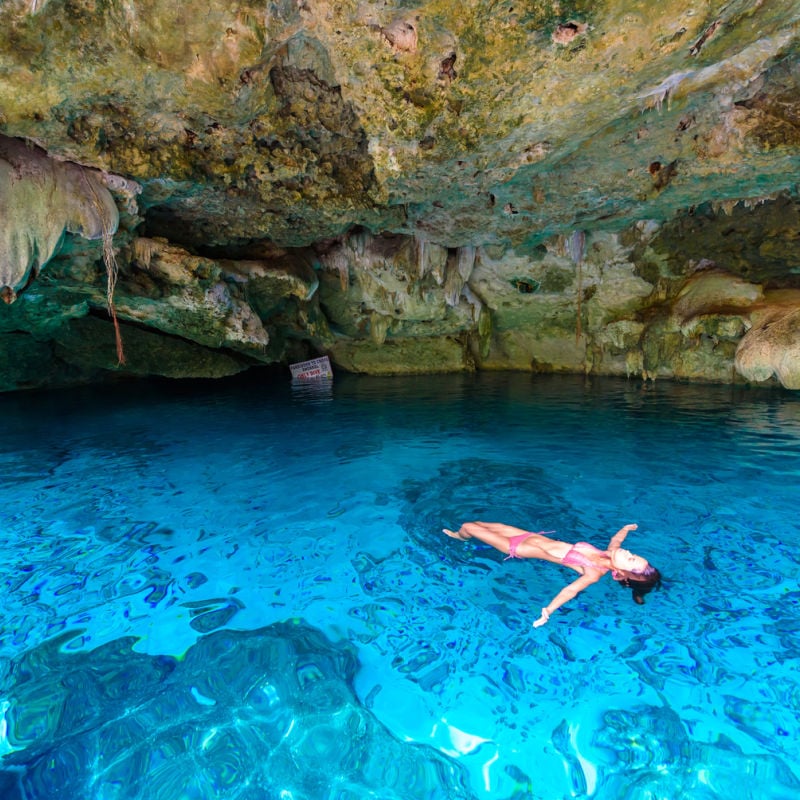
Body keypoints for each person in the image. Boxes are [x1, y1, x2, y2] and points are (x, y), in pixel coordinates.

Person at [442, 521, 661, 627]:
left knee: (468, 527)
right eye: (633, 554)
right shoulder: (611, 553)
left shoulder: (594, 572)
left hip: (516, 547)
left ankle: (460, 537)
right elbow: (617, 541)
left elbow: (571, 590)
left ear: (622, 573)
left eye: (631, 559)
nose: (629, 553)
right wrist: (626, 528)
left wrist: (548, 610)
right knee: (481, 523)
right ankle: (463, 535)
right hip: (527, 535)